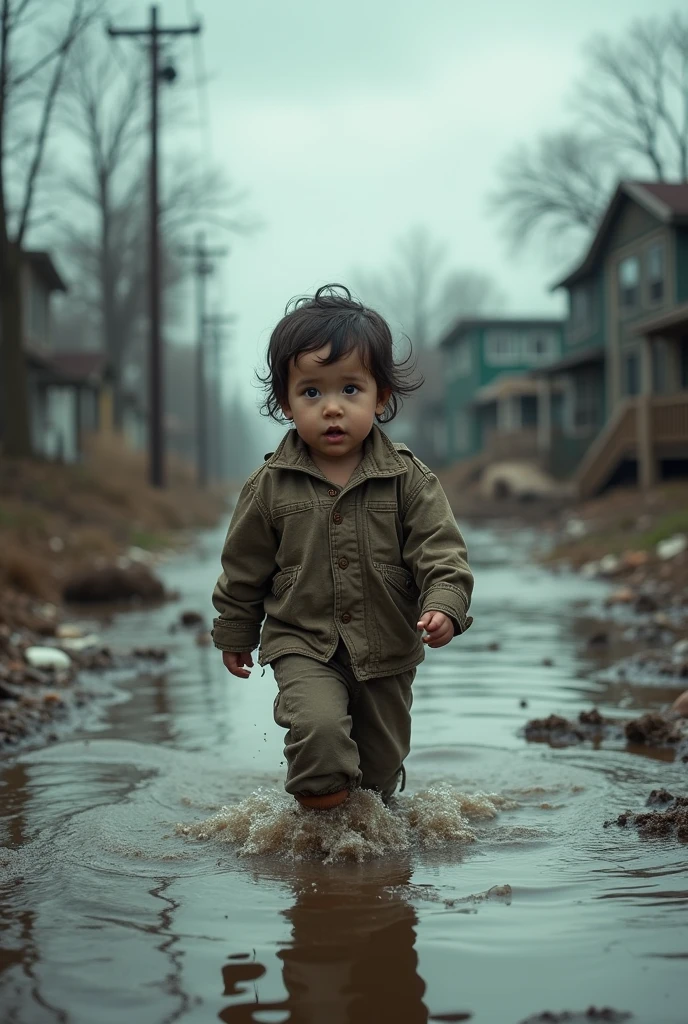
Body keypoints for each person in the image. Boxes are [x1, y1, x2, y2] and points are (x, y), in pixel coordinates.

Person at [212, 284, 473, 811]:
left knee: (377, 774)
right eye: (312, 392)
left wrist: (444, 604)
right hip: (301, 641)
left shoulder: (408, 480)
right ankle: (323, 848)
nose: (332, 408)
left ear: (382, 397)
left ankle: (367, 837)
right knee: (320, 735)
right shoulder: (269, 485)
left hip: (388, 650)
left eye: (350, 389)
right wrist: (236, 630)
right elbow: (243, 567)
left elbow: (442, 554)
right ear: (285, 402)